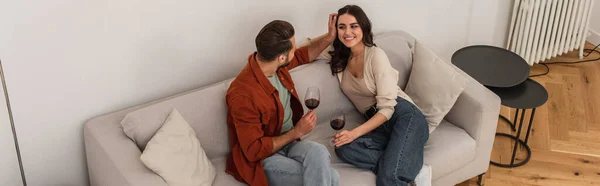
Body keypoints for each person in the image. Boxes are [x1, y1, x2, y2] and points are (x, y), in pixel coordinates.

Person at [318, 5, 430, 186]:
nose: (347, 32)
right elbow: (306, 50)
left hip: (403, 117)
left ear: (363, 27)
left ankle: (401, 168)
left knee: (388, 179)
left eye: (353, 26)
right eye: (342, 27)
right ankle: (412, 168)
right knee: (342, 147)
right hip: (378, 126)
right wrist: (329, 35)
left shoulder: (375, 55)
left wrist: (354, 133)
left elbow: (387, 109)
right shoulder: (340, 55)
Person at [225, 16, 340, 186]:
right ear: (281, 58)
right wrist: (296, 132)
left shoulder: (274, 65)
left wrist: (329, 38)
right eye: (293, 48)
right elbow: (253, 151)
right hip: (263, 159)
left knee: (320, 152)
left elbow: (303, 55)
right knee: (332, 177)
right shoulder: (242, 95)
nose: (296, 51)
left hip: (290, 144)